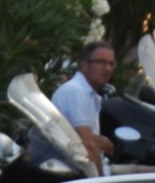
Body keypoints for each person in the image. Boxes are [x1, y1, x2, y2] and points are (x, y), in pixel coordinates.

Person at [34, 41, 116, 172]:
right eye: (101, 62)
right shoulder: (76, 91)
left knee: (150, 171)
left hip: (84, 168)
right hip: (74, 172)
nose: (107, 68)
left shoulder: (89, 93)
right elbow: (88, 146)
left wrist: (109, 147)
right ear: (84, 65)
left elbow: (91, 142)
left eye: (111, 64)